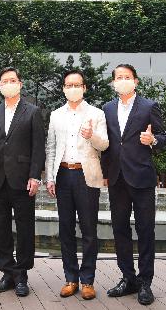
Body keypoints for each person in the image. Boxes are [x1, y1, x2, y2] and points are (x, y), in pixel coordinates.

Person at [100, 64, 166, 306]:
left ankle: (145, 282)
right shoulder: (106, 109)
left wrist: (152, 140)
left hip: (142, 178)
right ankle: (127, 278)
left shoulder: (149, 106)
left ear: (136, 81)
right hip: (117, 178)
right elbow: (107, 145)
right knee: (119, 229)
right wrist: (105, 173)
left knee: (145, 230)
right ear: (113, 82)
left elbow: (164, 138)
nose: (123, 80)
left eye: (127, 77)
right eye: (119, 77)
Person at [0, 67, 45, 297]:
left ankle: (22, 275)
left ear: (20, 83)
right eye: (4, 81)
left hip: (23, 180)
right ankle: (7, 272)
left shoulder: (32, 111)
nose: (9, 83)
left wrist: (35, 176)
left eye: (13, 80)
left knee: (25, 229)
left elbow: (38, 148)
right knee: (2, 230)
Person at [45, 69, 109, 301]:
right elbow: (51, 147)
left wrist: (91, 135)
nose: (72, 88)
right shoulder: (55, 115)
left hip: (86, 176)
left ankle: (88, 281)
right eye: (68, 85)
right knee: (66, 230)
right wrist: (50, 176)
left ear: (84, 88)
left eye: (77, 85)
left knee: (89, 230)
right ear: (63, 88)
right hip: (63, 175)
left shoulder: (97, 113)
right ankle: (70, 278)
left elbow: (104, 145)